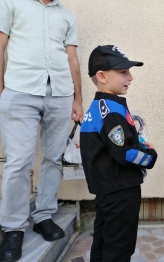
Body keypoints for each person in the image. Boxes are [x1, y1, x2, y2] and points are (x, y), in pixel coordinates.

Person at [0, 0, 83, 261]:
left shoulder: (66, 16)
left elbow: (72, 57)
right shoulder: (10, 4)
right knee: (18, 161)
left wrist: (78, 98)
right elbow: (1, 45)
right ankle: (13, 227)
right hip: (19, 89)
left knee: (53, 158)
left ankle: (43, 215)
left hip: (60, 93)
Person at [80, 45, 158, 262]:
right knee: (119, 248)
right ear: (102, 76)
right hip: (121, 191)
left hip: (107, 191)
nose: (130, 77)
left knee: (103, 242)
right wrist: (150, 156)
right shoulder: (112, 111)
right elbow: (124, 154)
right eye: (123, 72)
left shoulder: (98, 106)